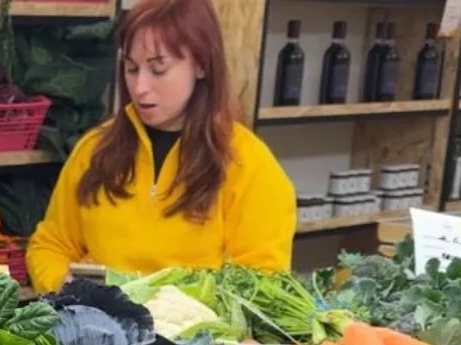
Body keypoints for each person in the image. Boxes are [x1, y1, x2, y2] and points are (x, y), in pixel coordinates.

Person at [25, 0, 297, 293]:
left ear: (202, 65)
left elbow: (262, 284)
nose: (140, 87)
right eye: (131, 68)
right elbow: (50, 245)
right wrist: (63, 285)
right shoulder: (94, 150)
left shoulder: (250, 165)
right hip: (99, 333)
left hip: (200, 337)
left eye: (158, 69)